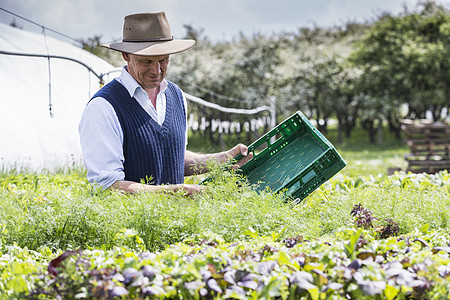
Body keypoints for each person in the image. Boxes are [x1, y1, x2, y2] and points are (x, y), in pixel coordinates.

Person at [78, 12, 252, 195]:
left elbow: (174, 156)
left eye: (164, 60)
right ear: (126, 55)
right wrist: (178, 192)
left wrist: (222, 159)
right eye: (146, 61)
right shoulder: (104, 107)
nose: (156, 70)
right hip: (127, 223)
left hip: (174, 222)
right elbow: (108, 186)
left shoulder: (176, 96)